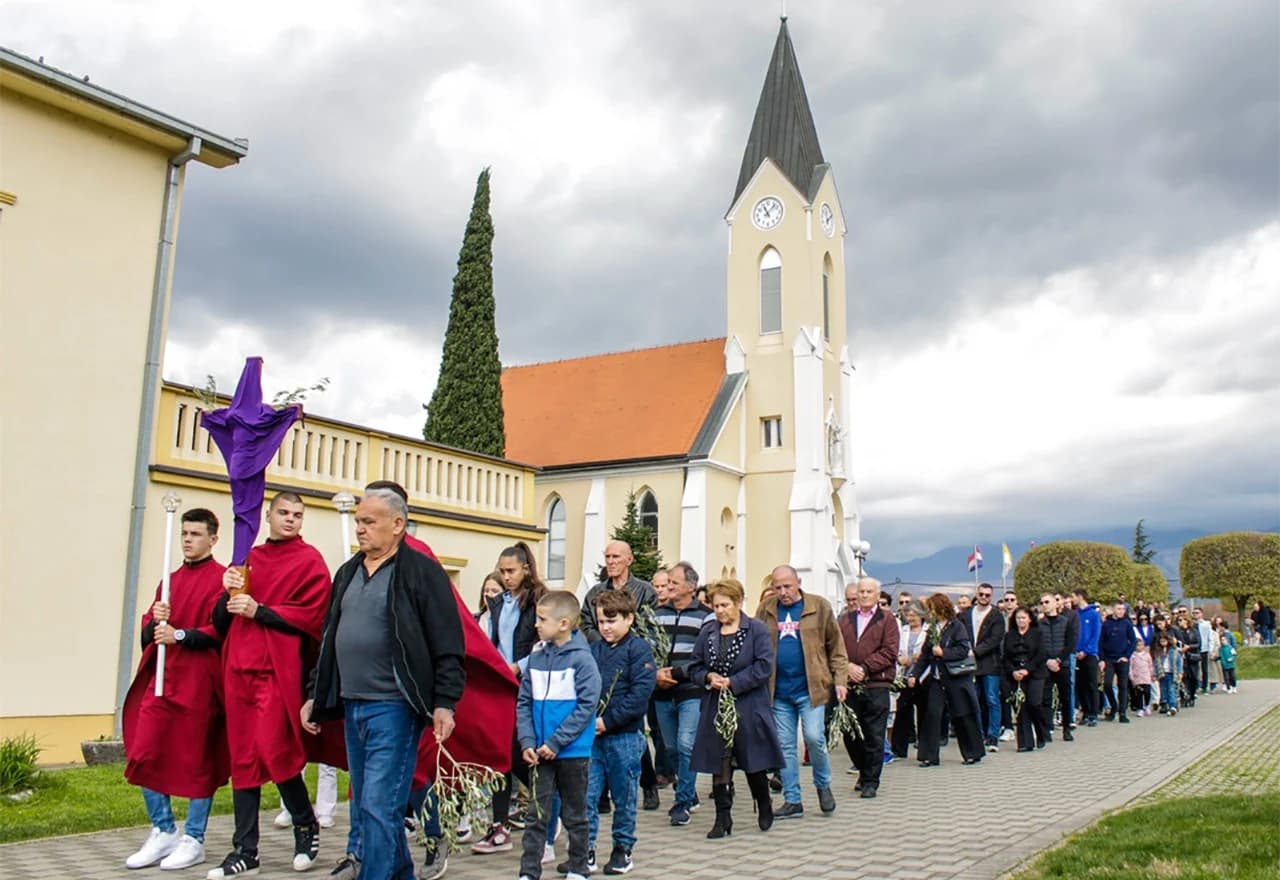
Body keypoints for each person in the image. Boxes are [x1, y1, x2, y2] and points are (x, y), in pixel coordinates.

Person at [304, 487, 465, 880]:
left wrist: (445, 701)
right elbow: (329, 637)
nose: (360, 529)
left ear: (397, 524)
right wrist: (314, 693)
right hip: (353, 703)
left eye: (368, 522)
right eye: (358, 521)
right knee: (371, 805)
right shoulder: (348, 572)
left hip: (394, 705)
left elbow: (447, 641)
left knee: (379, 804)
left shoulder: (422, 573)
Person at [208, 493, 332, 879]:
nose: (290, 519)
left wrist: (260, 610)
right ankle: (245, 851)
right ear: (268, 515)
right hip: (238, 668)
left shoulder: (310, 560)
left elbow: (314, 616)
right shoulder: (248, 559)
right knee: (243, 758)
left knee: (276, 751)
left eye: (297, 514)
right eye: (283, 512)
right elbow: (221, 620)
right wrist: (226, 591)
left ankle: (305, 822)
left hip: (276, 671)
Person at [123, 509, 229, 871]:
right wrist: (156, 621)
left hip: (199, 683)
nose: (187, 539)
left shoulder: (221, 580)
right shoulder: (168, 582)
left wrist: (180, 634)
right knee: (144, 752)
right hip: (163, 681)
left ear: (213, 539)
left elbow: (221, 631)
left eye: (195, 534)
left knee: (198, 759)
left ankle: (194, 837)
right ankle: (163, 828)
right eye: (184, 533)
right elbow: (150, 632)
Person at [516, 591, 602, 880]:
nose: (536, 624)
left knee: (575, 813)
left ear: (563, 623)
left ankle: (578, 867)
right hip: (539, 752)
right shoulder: (536, 658)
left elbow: (587, 706)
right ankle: (529, 871)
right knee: (535, 814)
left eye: (542, 619)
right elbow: (524, 702)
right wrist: (528, 741)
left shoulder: (582, 660)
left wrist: (556, 741)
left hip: (572, 752)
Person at [688, 579, 783, 838]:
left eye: (724, 605)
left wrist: (734, 682)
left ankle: (763, 801)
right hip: (716, 705)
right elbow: (694, 666)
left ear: (738, 603)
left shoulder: (756, 629)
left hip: (748, 704)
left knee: (752, 759)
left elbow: (764, 666)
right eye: (715, 606)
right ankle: (722, 817)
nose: (719, 611)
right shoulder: (708, 632)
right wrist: (708, 677)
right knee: (720, 760)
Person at [756, 565, 848, 817]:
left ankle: (823, 784)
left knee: (814, 737)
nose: (783, 592)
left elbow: (836, 647)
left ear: (798, 582)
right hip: (778, 691)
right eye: (778, 587)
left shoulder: (819, 606)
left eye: (787, 586)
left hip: (812, 688)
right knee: (785, 746)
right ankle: (792, 799)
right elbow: (756, 644)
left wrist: (840, 680)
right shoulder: (766, 609)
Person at [474, 542, 546, 855]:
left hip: (526, 683)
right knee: (498, 754)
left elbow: (545, 643)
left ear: (525, 569)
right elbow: (493, 640)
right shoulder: (498, 603)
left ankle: (549, 804)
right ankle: (498, 826)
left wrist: (520, 665)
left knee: (519, 751)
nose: (506, 577)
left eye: (511, 571)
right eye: (502, 571)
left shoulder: (538, 600)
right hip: (500, 684)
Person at [585, 590, 656, 875]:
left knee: (624, 796)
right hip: (592, 737)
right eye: (601, 621)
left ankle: (622, 849)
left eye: (611, 621)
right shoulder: (594, 650)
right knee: (587, 795)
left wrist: (608, 721)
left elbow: (639, 695)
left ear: (629, 619)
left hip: (624, 736)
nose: (605, 627)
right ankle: (585, 849)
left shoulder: (638, 650)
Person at [651, 562, 712, 827]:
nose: (669, 587)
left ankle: (683, 801)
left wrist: (675, 673)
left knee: (686, 743)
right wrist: (655, 674)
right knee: (671, 747)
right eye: (667, 582)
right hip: (661, 691)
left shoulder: (706, 617)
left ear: (690, 587)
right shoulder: (656, 614)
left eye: (674, 583)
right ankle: (688, 788)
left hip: (691, 690)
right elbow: (647, 649)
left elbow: (705, 657)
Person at [836, 576, 897, 798]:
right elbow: (835, 648)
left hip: (876, 683)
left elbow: (889, 651)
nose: (863, 595)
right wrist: (847, 667)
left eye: (868, 592)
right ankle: (863, 770)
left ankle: (871, 780)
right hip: (850, 685)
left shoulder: (887, 619)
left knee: (873, 735)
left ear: (877, 595)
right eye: (861, 591)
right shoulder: (845, 620)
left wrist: (865, 668)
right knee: (851, 734)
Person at [909, 593, 984, 766]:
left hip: (956, 679)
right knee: (932, 715)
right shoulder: (932, 628)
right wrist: (914, 675)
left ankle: (972, 752)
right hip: (937, 679)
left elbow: (963, 649)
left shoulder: (957, 626)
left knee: (962, 715)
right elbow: (925, 655)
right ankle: (929, 756)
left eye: (931, 609)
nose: (930, 613)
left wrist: (944, 653)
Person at [580, 541, 658, 643]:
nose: (610, 561)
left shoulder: (646, 591)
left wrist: (621, 645)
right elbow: (586, 626)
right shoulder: (594, 592)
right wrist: (605, 644)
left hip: (633, 649)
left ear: (629, 560)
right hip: (600, 649)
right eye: (607, 557)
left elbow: (648, 627)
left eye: (615, 557)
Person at [963, 583, 1006, 751]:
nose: (984, 597)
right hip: (970, 664)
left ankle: (993, 735)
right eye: (981, 594)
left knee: (992, 699)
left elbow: (995, 639)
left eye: (987, 595)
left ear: (991, 596)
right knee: (974, 700)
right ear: (977, 594)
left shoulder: (996, 615)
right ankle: (977, 735)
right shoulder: (966, 614)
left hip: (990, 663)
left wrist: (976, 651)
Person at [1002, 605, 1048, 752]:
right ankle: (1025, 743)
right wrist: (1013, 671)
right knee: (1021, 707)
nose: (1020, 621)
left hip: (1035, 672)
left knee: (1034, 703)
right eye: (1018, 618)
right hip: (1016, 673)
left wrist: (1027, 669)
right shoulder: (1009, 635)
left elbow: (1041, 654)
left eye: (1023, 618)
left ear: (1029, 619)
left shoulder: (1037, 634)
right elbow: (1005, 657)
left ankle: (1042, 732)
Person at [1037, 593, 1078, 741]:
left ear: (1055, 603)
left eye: (1047, 602)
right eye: (1042, 602)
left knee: (1065, 697)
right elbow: (1038, 645)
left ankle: (1067, 728)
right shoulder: (1039, 624)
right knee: (1045, 698)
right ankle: (1047, 729)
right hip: (1045, 665)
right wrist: (1048, 660)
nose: (1044, 605)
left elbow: (1070, 643)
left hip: (1062, 665)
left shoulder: (1066, 622)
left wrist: (1059, 660)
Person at [889, 601, 928, 759]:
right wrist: (900, 658)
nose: (911, 618)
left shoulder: (928, 631)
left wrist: (919, 657)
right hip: (905, 675)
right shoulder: (903, 631)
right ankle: (899, 749)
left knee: (924, 713)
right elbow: (895, 649)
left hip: (923, 677)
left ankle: (924, 749)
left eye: (914, 615)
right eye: (908, 615)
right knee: (902, 712)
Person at [1099, 601, 1137, 724]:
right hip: (1109, 658)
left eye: (1123, 609)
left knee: (1123, 686)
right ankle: (1113, 706)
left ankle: (1122, 713)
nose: (1121, 611)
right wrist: (1102, 659)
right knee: (1107, 684)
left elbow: (1133, 641)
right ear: (1113, 610)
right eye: (1118, 609)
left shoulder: (1126, 623)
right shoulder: (1106, 624)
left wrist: (1127, 656)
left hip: (1122, 658)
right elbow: (1101, 642)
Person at [1071, 589, 1101, 728]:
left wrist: (1087, 650)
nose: (1072, 599)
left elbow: (1095, 635)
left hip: (1089, 655)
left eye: (1073, 596)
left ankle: (1093, 714)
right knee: (1080, 685)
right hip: (1076, 654)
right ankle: (1085, 711)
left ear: (1080, 596)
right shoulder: (1075, 614)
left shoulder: (1094, 614)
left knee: (1091, 684)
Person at [1153, 631, 1182, 716]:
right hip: (1162, 673)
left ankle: (1173, 706)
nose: (1163, 643)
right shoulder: (1158, 652)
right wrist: (1155, 673)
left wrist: (1180, 672)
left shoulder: (1174, 650)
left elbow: (1179, 662)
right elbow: (1155, 664)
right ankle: (1165, 705)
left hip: (1172, 673)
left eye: (1164, 641)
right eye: (1161, 641)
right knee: (1163, 689)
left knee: (1171, 689)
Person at [1128, 639, 1155, 716]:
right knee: (1139, 694)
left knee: (1147, 692)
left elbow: (1150, 665)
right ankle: (1140, 708)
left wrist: (1152, 674)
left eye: (1141, 645)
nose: (1139, 647)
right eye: (1138, 645)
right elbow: (1130, 667)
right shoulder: (1132, 656)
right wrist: (1131, 676)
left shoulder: (1147, 655)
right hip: (1137, 678)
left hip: (1146, 677)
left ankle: (1147, 705)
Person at [1192, 608, 1215, 695]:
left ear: (1201, 614)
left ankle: (1204, 687)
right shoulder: (1192, 624)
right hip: (1195, 649)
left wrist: (1210, 649)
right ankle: (1195, 686)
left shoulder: (1206, 624)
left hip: (1204, 649)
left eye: (1197, 613)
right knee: (1195, 669)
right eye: (1194, 613)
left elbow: (1210, 637)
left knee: (1204, 669)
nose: (1195, 614)